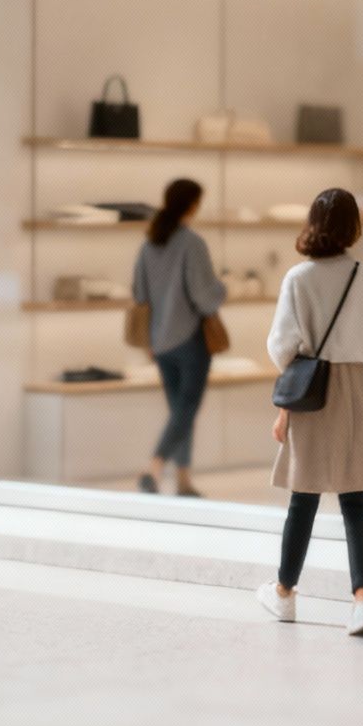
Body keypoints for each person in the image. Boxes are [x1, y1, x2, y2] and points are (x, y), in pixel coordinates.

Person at [256, 188, 363, 637]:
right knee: (357, 502)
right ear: (354, 227)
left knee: (303, 500)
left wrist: (291, 396)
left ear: (312, 223)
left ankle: (284, 594)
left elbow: (281, 345)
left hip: (312, 390)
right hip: (358, 386)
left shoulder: (298, 279)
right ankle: (362, 602)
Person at [132, 178, 227, 497]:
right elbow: (205, 296)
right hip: (190, 339)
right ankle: (155, 467)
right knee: (186, 409)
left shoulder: (150, 243)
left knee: (179, 410)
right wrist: (223, 287)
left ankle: (183, 479)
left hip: (159, 340)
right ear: (192, 205)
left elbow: (140, 293)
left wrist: (149, 341)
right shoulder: (191, 243)